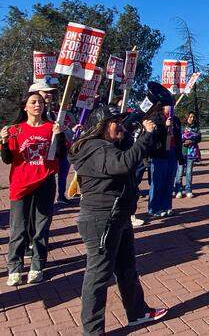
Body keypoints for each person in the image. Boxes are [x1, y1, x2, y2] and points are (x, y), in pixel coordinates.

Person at [68, 105, 168, 334]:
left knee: (126, 267)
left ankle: (137, 312)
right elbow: (122, 164)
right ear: (102, 125)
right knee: (98, 275)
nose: (121, 126)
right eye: (117, 122)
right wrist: (144, 137)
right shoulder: (94, 148)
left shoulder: (107, 146)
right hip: (102, 218)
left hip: (117, 215)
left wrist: (144, 131)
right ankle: (93, 330)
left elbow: (129, 154)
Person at [1, 92, 64, 286]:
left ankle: (37, 266)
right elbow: (8, 159)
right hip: (21, 185)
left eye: (41, 102)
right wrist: (3, 142)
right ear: (25, 107)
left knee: (41, 227)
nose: (38, 105)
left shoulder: (51, 128)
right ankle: (15, 268)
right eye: (33, 102)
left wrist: (59, 136)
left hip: (45, 182)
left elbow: (60, 155)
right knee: (18, 228)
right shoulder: (15, 130)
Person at [148, 106, 182, 217]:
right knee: (158, 181)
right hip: (159, 152)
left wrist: (179, 154)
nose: (171, 107)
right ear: (163, 106)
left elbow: (178, 138)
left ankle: (166, 206)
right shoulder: (156, 118)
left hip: (172, 152)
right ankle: (154, 208)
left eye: (172, 104)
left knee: (169, 180)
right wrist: (164, 126)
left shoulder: (175, 119)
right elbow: (153, 136)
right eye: (168, 104)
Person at [174, 111, 201, 198]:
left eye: (193, 117)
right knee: (180, 172)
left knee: (189, 172)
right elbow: (176, 137)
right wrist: (183, 141)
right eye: (190, 117)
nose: (192, 118)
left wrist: (192, 141)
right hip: (181, 152)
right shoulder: (181, 127)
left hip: (191, 153)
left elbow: (199, 138)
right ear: (187, 118)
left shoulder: (196, 128)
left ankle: (188, 190)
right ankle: (178, 190)